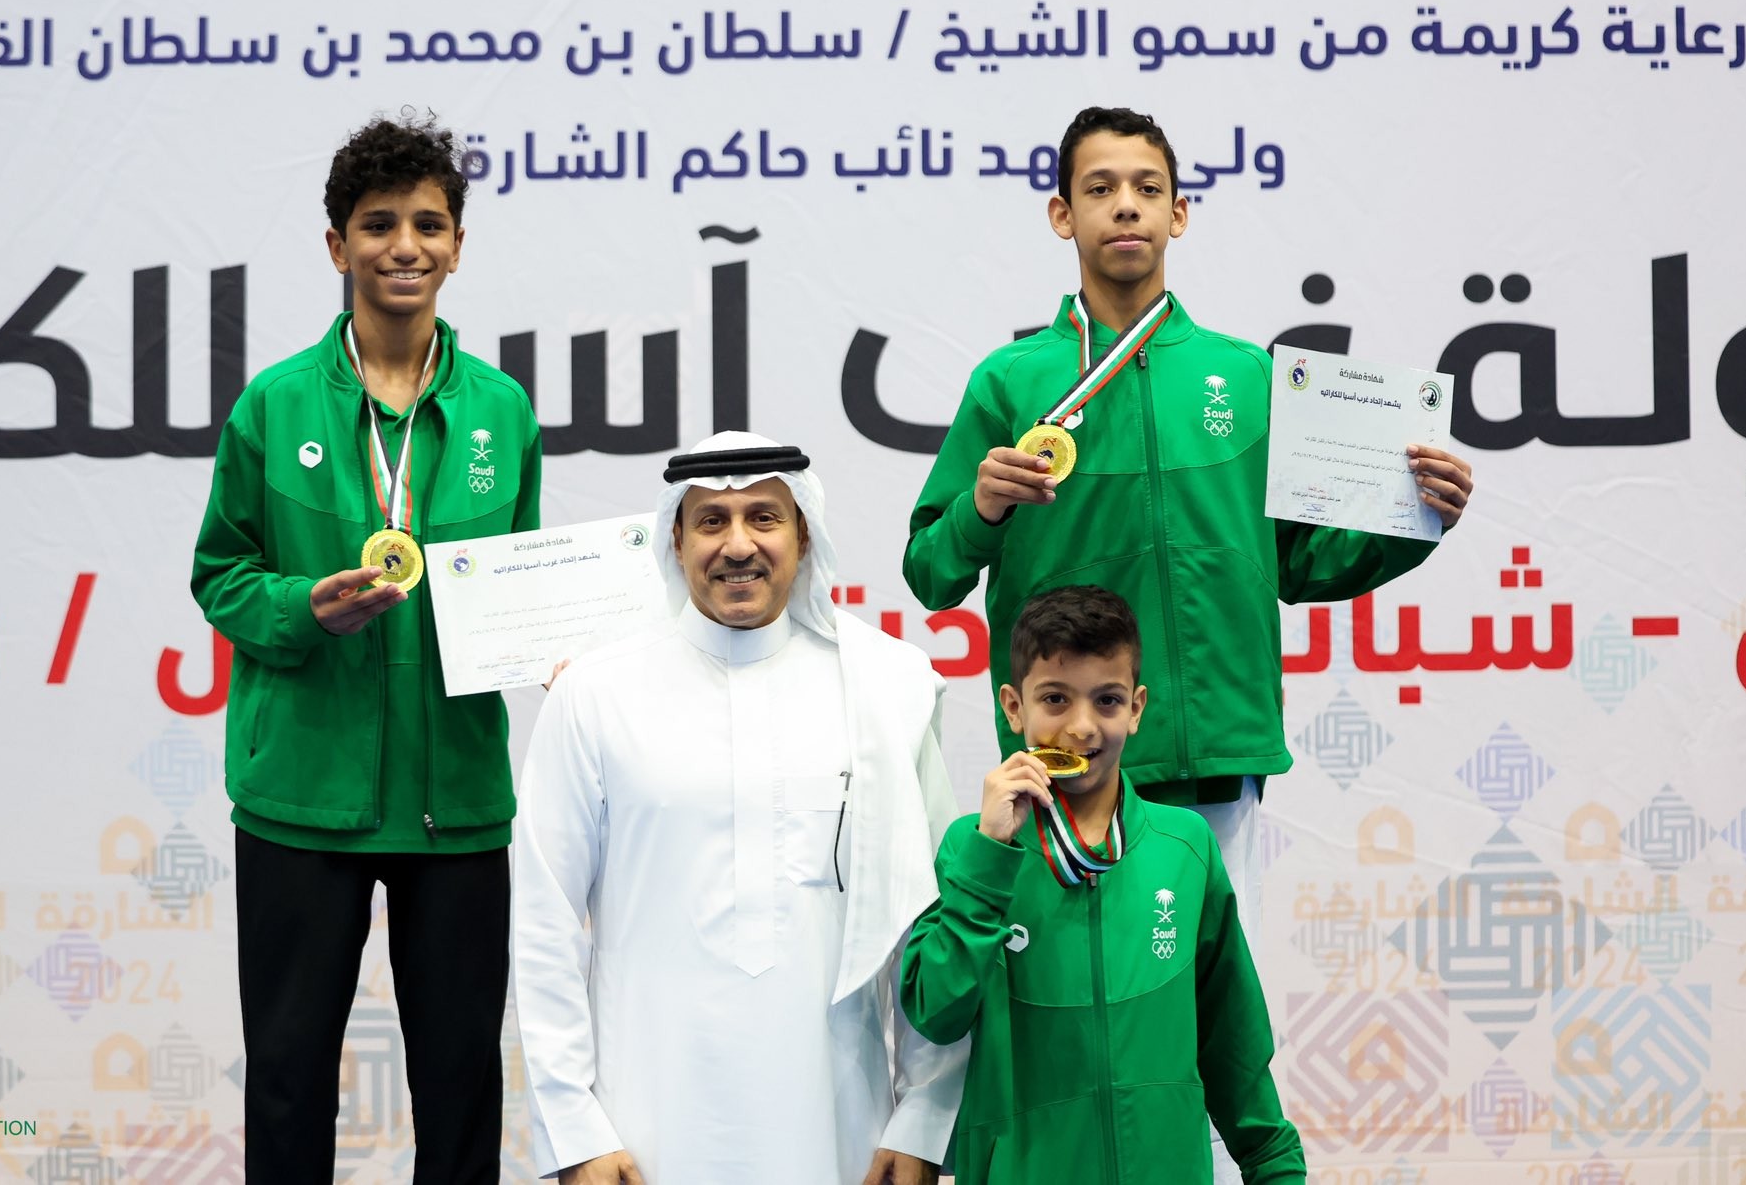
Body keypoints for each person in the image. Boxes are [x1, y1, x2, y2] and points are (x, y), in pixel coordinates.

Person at [901, 104, 1472, 1180]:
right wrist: (980, 505)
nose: (1125, 206)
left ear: (1180, 213)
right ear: (1061, 215)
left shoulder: (1246, 379)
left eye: (1147, 187)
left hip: (1210, 761)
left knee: (1202, 1039)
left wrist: (1414, 521)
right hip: (1064, 775)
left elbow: (1300, 561)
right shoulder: (1009, 385)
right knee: (1050, 1041)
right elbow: (930, 568)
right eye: (1100, 188)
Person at [191, 112, 541, 1183]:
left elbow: (517, 585)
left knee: (461, 1084)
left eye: (428, 225)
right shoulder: (274, 404)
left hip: (456, 802)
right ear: (337, 244)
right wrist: (305, 607)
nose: (405, 246)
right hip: (303, 798)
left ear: (458, 246)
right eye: (378, 224)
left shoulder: (501, 411)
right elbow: (220, 573)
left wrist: (550, 637)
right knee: (288, 1078)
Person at [512, 431, 967, 1185]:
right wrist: (574, 1131)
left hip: (841, 1125)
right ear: (676, 540)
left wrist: (922, 1118)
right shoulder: (596, 693)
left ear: (803, 536)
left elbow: (935, 926)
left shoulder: (890, 688)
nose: (738, 545)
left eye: (764, 517)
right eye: (711, 522)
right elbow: (544, 923)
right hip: (643, 1125)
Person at [901, 585, 1306, 1183]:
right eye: (1055, 699)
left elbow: (1234, 1045)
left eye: (1108, 700)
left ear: (1137, 708)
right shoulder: (974, 847)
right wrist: (990, 858)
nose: (1082, 727)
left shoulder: (1185, 846)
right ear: (1013, 707)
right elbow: (935, 1012)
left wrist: (1276, 1168)